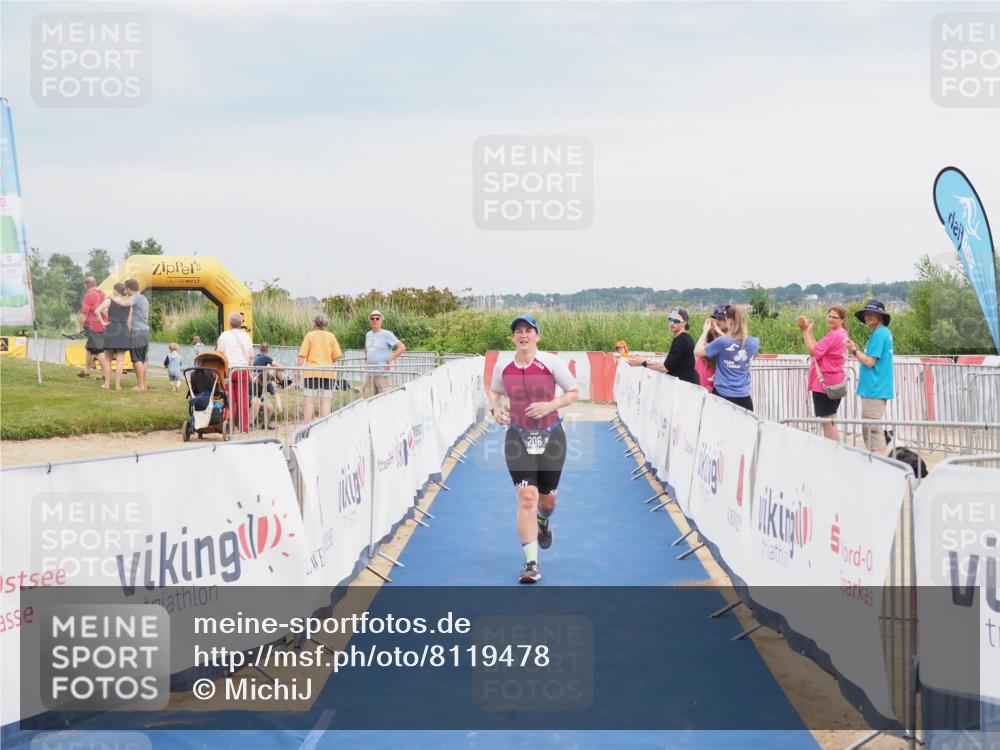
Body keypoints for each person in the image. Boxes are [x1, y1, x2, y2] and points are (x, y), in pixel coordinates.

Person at [487, 315, 579, 584]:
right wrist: (496, 409)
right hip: (517, 437)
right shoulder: (503, 365)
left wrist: (550, 406)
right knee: (527, 497)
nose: (523, 335)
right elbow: (494, 392)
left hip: (551, 437)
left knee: (546, 501)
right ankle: (531, 564)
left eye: (529, 331)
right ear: (513, 337)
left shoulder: (551, 363)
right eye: (518, 331)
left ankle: (543, 521)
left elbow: (573, 391)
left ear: (537, 336)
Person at [847, 300, 895, 454]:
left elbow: (869, 362)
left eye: (871, 313)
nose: (867, 316)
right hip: (874, 387)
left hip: (875, 387)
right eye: (866, 313)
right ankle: (877, 462)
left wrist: (854, 350)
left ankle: (880, 465)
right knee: (870, 427)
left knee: (873, 429)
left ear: (880, 316)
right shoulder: (881, 333)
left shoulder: (880, 334)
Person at [695, 304, 760, 411]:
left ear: (729, 321)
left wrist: (705, 331)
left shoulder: (722, 342)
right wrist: (720, 332)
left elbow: (697, 352)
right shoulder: (754, 342)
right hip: (744, 397)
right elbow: (734, 344)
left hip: (722, 396)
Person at [798, 306, 849, 441]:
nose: (831, 319)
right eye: (829, 316)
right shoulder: (842, 334)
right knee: (830, 421)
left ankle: (833, 452)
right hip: (834, 382)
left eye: (835, 317)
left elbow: (812, 351)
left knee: (828, 423)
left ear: (842, 320)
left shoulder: (834, 335)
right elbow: (817, 349)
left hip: (824, 384)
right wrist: (809, 332)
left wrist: (804, 331)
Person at [626, 307, 700, 386]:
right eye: (670, 319)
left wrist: (643, 362)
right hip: (688, 383)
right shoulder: (687, 338)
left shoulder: (680, 340)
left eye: (676, 321)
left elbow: (665, 367)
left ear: (684, 323)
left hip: (685, 386)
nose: (672, 323)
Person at [297, 314, 343, 423]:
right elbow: (337, 356)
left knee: (309, 402)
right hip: (328, 372)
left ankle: (306, 430)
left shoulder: (310, 335)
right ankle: (324, 429)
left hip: (311, 372)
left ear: (315, 323)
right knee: (326, 401)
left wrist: (297, 371)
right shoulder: (331, 336)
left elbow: (302, 355)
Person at [216, 311, 254, 431]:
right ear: (241, 323)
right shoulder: (246, 336)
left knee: (229, 399)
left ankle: (230, 425)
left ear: (229, 323)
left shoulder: (224, 336)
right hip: (242, 369)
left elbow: (220, 353)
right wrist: (250, 370)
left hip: (229, 369)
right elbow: (251, 356)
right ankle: (244, 426)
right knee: (243, 399)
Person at [96, 283, 132, 391]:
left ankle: (107, 384)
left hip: (112, 329)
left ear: (116, 290)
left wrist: (103, 323)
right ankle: (117, 385)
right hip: (123, 330)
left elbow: (97, 311)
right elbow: (130, 320)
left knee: (107, 359)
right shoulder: (128, 303)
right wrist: (127, 333)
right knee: (120, 360)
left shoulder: (109, 300)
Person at [364, 310, 406, 396]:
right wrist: (366, 358)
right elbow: (366, 348)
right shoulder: (368, 334)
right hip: (370, 373)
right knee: (367, 400)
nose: (375, 320)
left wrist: (390, 359)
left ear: (381, 320)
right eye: (372, 318)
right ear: (370, 320)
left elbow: (402, 347)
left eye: (377, 318)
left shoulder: (387, 334)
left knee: (384, 399)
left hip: (383, 373)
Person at [75, 277, 109, 383]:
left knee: (99, 351)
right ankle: (87, 371)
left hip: (94, 326)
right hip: (103, 324)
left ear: (87, 285)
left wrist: (79, 327)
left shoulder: (89, 295)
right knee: (89, 348)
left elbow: (84, 313)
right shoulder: (102, 294)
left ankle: (106, 375)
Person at [123, 279, 150, 391]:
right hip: (145, 331)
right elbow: (146, 316)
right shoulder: (144, 298)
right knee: (143, 359)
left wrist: (113, 300)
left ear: (129, 289)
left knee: (137, 359)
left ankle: (140, 386)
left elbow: (126, 304)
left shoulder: (134, 297)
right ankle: (143, 384)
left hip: (137, 332)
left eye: (126, 289)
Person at [694, 305, 728, 391]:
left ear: (729, 321)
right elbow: (698, 350)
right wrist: (706, 331)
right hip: (705, 376)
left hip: (722, 381)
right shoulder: (710, 334)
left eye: (721, 319)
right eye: (716, 318)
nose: (717, 321)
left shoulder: (733, 338)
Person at [250, 342, 280, 426]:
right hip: (252, 398)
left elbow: (275, 395)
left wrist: (279, 407)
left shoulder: (268, 382)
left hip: (259, 398)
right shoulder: (265, 358)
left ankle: (265, 425)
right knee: (257, 401)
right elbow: (278, 366)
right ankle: (250, 424)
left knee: (269, 407)